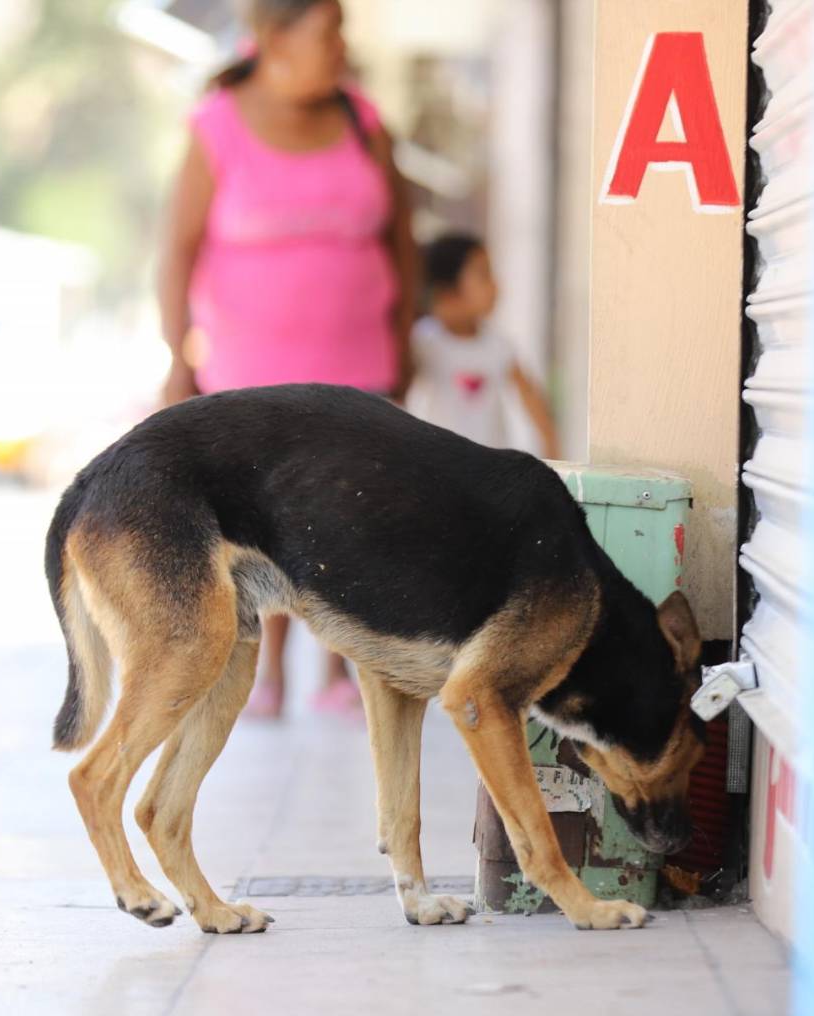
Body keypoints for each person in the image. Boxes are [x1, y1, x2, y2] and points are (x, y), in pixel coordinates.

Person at [157, 0, 418, 718]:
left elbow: (401, 240)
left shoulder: (363, 121)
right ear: (275, 38)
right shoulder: (216, 126)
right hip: (251, 373)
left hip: (358, 363)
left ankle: (336, 669)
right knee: (261, 520)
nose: (341, 46)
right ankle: (263, 674)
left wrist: (403, 335)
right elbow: (177, 249)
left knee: (349, 518)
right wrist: (177, 356)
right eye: (328, 32)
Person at [408, 232, 560, 458]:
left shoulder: (498, 346)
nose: (496, 286)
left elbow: (532, 399)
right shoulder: (423, 341)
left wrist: (551, 447)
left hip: (490, 465)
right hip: (437, 465)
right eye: (484, 275)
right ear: (449, 290)